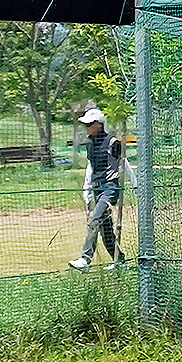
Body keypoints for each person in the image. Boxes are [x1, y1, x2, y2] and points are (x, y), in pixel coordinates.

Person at [69, 107, 124, 269]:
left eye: (89, 124)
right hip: (96, 189)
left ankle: (85, 259)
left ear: (99, 124)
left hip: (110, 188)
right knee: (105, 229)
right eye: (85, 124)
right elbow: (90, 168)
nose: (86, 127)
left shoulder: (113, 142)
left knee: (94, 220)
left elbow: (124, 164)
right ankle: (119, 261)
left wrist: (135, 185)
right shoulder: (90, 144)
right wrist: (86, 191)